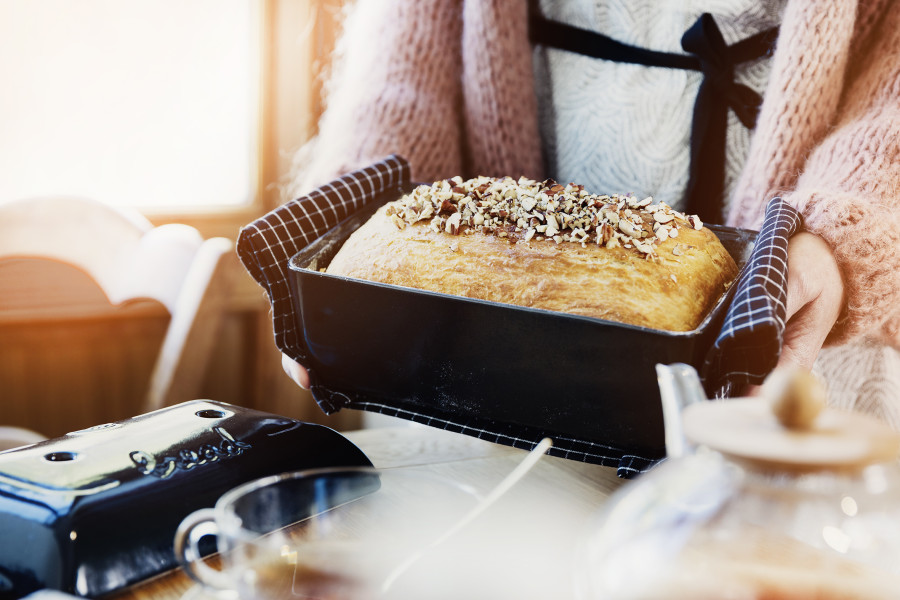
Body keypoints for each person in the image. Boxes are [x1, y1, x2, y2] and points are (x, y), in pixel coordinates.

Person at [282, 0, 900, 424]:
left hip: (802, 296)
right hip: (477, 326)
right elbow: (406, 56)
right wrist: (361, 205)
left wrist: (844, 230)